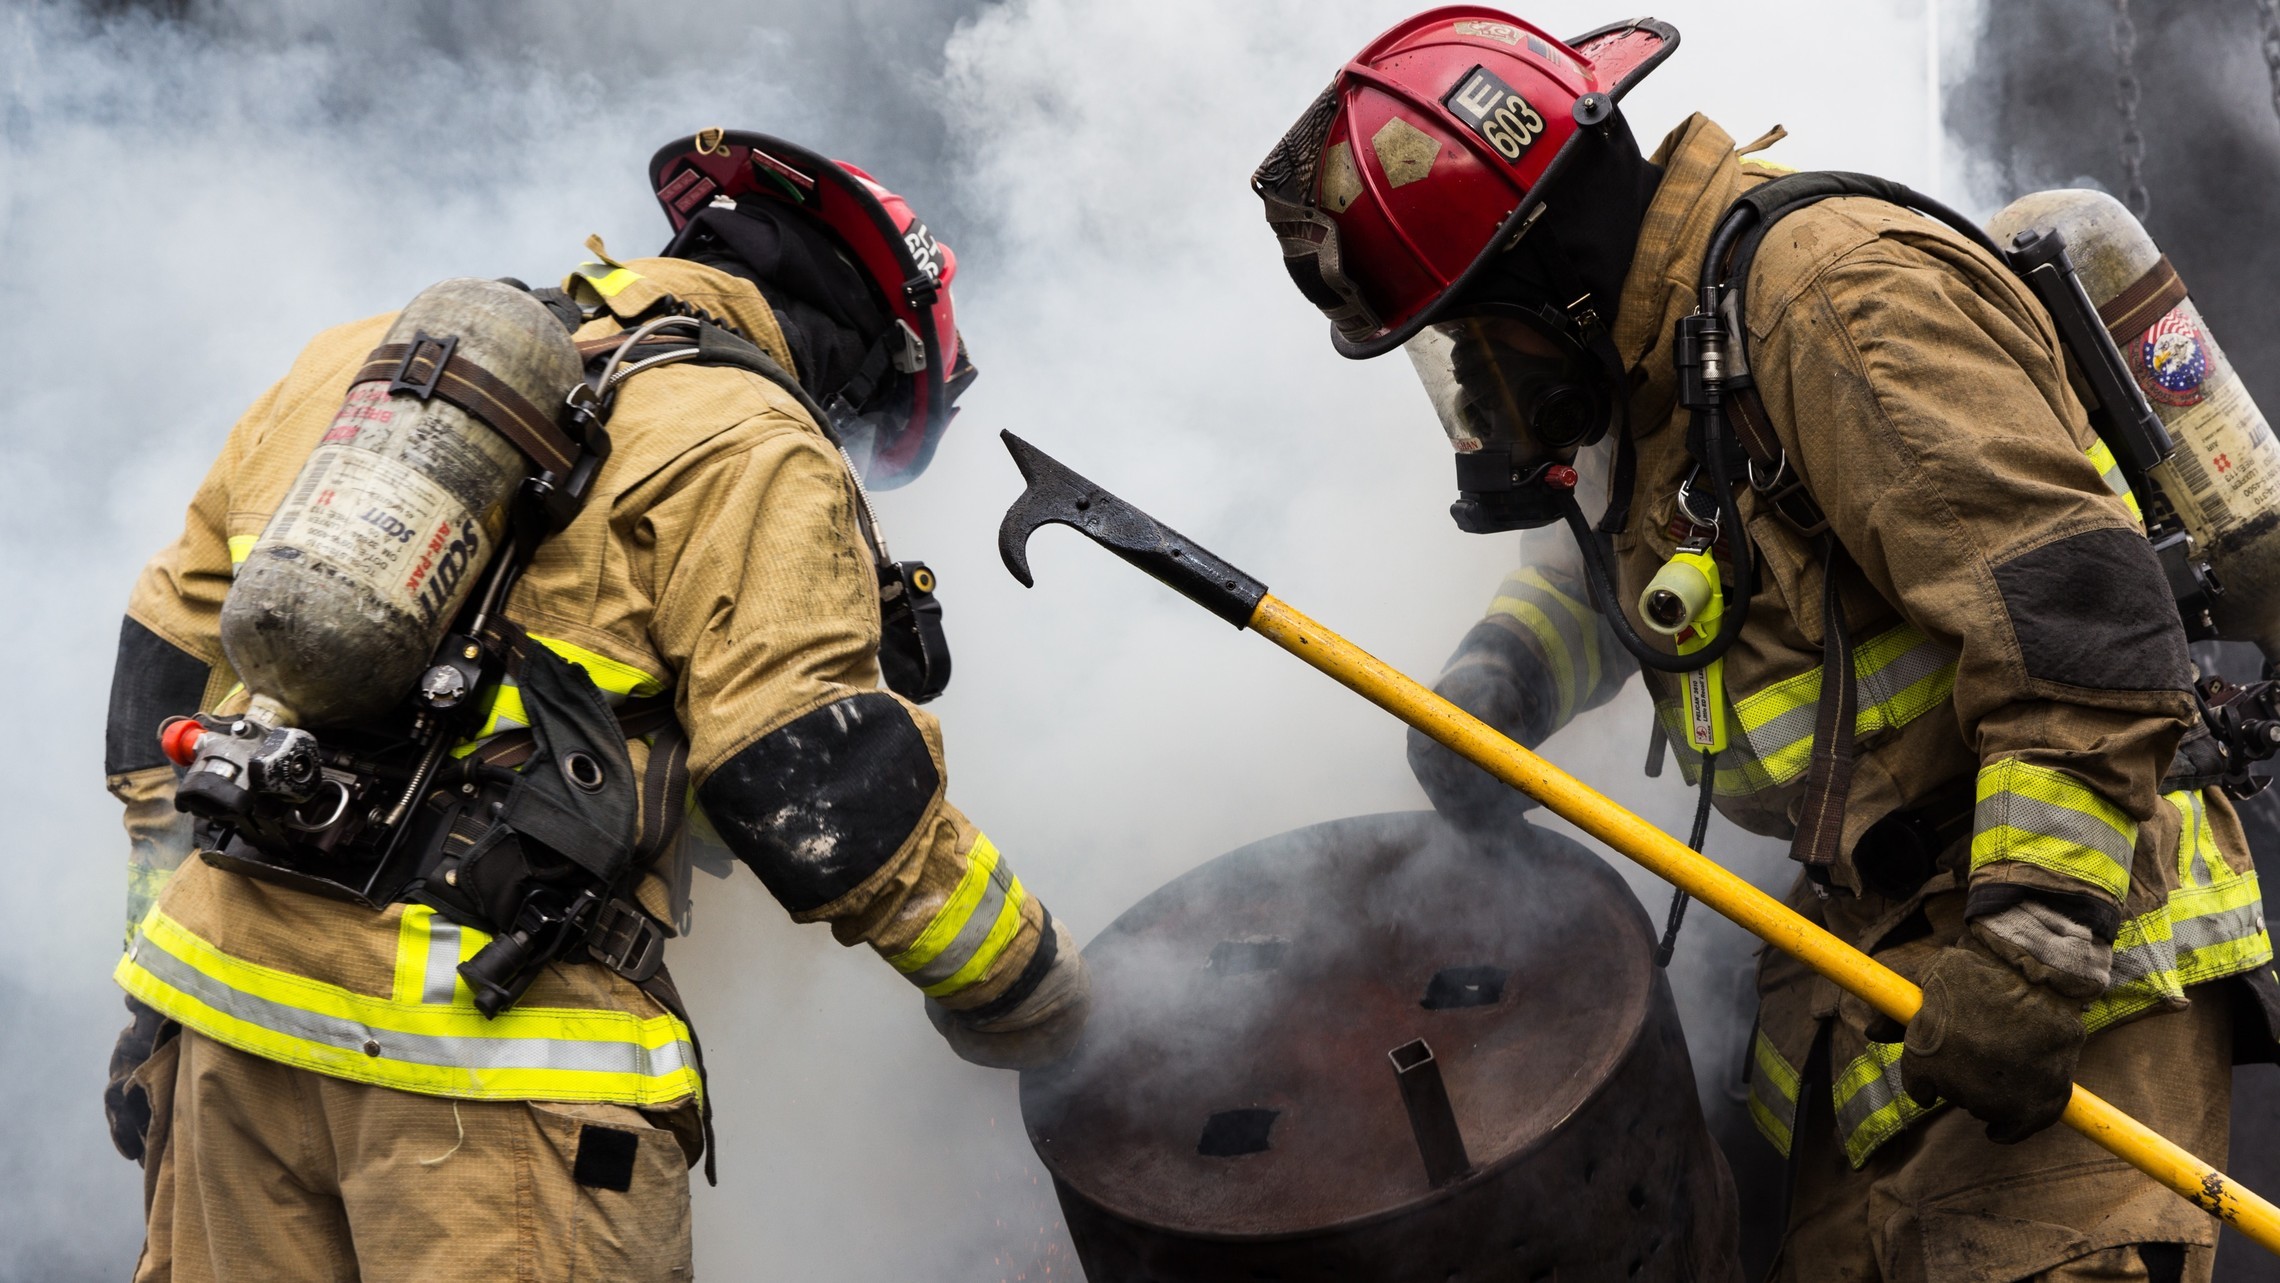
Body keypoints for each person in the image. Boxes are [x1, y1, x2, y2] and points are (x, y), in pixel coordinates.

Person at [1252, 11, 2278, 1280]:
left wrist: (2033, 944)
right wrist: (1499, 683)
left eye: (1471, 329)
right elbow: (1651, 575)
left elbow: (2082, 630)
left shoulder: (1832, 303)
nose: (1473, 374)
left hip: (2067, 946)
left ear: (1547, 273)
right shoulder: (1672, 357)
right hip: (1879, 974)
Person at [100, 129, 1090, 1281]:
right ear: (866, 365)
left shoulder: (365, 363)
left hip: (219, 1027)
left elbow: (160, 688)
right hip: (494, 1085)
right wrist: (1039, 995)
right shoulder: (755, 441)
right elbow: (819, 795)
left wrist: (147, 978)